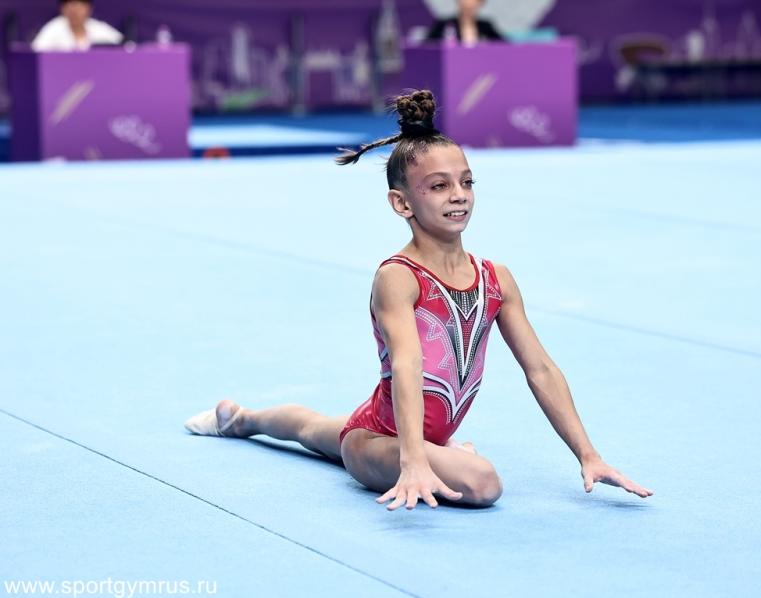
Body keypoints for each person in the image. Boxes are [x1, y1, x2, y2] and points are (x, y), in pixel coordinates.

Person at [184, 90, 653, 510]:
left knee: (312, 428)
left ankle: (239, 418)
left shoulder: (496, 279)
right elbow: (407, 365)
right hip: (382, 440)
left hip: (400, 430)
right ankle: (254, 423)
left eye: (466, 182)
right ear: (402, 203)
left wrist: (588, 454)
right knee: (482, 482)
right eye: (439, 186)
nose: (458, 196)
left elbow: (541, 370)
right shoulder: (399, 277)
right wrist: (414, 462)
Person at [31, 0, 122, 52]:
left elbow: (123, 45)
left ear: (89, 9)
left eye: (79, 7)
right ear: (62, 9)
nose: (74, 12)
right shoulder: (53, 29)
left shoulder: (98, 28)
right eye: (70, 7)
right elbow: (36, 51)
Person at [426, 0, 504, 45]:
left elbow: (504, 46)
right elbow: (426, 46)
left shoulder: (486, 27)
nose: (468, 3)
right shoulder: (444, 25)